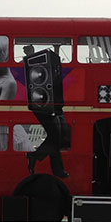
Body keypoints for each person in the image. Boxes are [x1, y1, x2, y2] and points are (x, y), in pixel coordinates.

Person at [24, 45, 69, 178]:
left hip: (53, 103)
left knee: (59, 137)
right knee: (55, 137)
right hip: (42, 104)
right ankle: (55, 169)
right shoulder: (32, 65)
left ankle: (35, 157)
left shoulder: (49, 65)